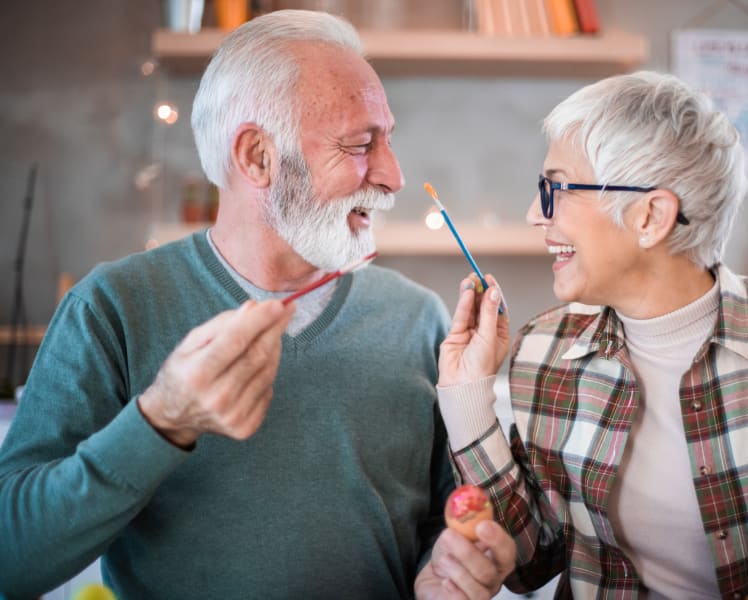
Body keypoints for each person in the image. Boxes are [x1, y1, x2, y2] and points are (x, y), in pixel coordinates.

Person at [0, 10, 513, 599]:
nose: (394, 176)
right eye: (360, 144)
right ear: (257, 157)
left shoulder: (418, 319)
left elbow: (442, 525)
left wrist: (441, 571)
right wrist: (162, 420)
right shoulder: (111, 309)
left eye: (388, 140)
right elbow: (10, 558)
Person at [435, 71, 748, 598]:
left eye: (556, 189)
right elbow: (526, 564)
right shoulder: (543, 352)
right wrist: (467, 393)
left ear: (651, 216)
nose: (533, 215)